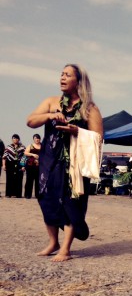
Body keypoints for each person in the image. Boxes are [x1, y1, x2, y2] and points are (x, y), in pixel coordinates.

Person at [26, 63, 103, 262]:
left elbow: (99, 137)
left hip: (74, 164)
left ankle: (66, 249)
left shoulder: (89, 109)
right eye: (61, 74)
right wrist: (51, 115)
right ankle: (53, 242)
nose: (62, 77)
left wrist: (77, 131)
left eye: (67, 75)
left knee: (71, 202)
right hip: (49, 160)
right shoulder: (52, 102)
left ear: (78, 81)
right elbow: (31, 121)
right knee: (46, 198)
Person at [2, 134, 26, 198]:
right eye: (14, 138)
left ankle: (18, 194)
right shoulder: (8, 147)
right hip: (10, 164)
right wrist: (4, 165)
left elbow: (24, 157)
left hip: (19, 164)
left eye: (17, 138)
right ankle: (9, 194)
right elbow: (4, 157)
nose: (15, 140)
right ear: (12, 139)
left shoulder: (22, 147)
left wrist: (23, 166)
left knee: (19, 179)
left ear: (19, 139)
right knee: (9, 178)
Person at [24, 133, 42, 199]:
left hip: (39, 165)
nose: (37, 139)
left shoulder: (42, 145)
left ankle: (38, 195)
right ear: (33, 139)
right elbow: (25, 153)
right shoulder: (30, 145)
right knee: (29, 180)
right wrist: (33, 154)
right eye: (36, 138)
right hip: (30, 165)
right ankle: (28, 195)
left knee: (38, 181)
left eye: (38, 138)